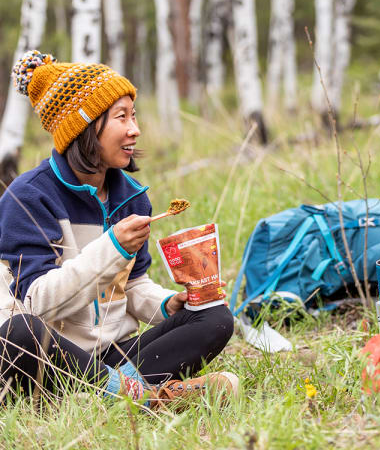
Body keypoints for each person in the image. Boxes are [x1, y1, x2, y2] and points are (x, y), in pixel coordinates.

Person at [0, 50, 236, 408]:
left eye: (134, 115)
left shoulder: (131, 197)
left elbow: (134, 285)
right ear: (84, 126)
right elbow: (36, 305)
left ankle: (107, 394)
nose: (135, 129)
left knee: (214, 317)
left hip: (114, 355)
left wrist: (167, 305)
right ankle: (141, 395)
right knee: (18, 332)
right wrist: (112, 247)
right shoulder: (29, 197)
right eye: (121, 117)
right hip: (50, 358)